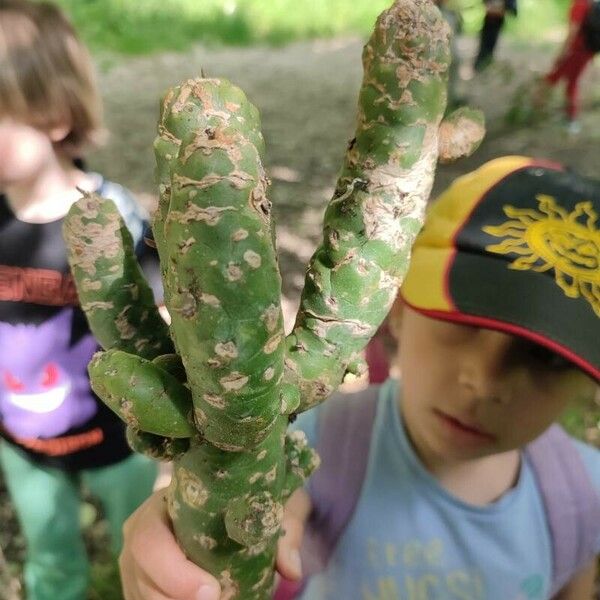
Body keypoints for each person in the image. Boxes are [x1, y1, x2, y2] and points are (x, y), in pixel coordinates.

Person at [117, 156, 600, 600]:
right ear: (400, 310)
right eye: (463, 325)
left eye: (546, 359)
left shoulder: (584, 498)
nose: (486, 382)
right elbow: (260, 496)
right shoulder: (314, 447)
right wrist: (192, 540)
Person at [0, 2, 158, 599]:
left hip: (117, 438)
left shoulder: (113, 219)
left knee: (139, 545)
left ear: (55, 115)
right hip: (22, 441)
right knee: (49, 552)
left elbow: (157, 323)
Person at [537, 0, 598, 134]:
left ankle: (568, 118)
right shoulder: (589, 3)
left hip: (576, 50)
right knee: (566, 81)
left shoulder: (579, 4)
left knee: (556, 79)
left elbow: (573, 31)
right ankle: (567, 116)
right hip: (586, 50)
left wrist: (561, 54)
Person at [473, 0, 518, 72]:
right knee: (484, 42)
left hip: (498, 19)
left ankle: (486, 64)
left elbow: (512, 8)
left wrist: (502, 9)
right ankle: (479, 65)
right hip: (489, 18)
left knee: (492, 42)